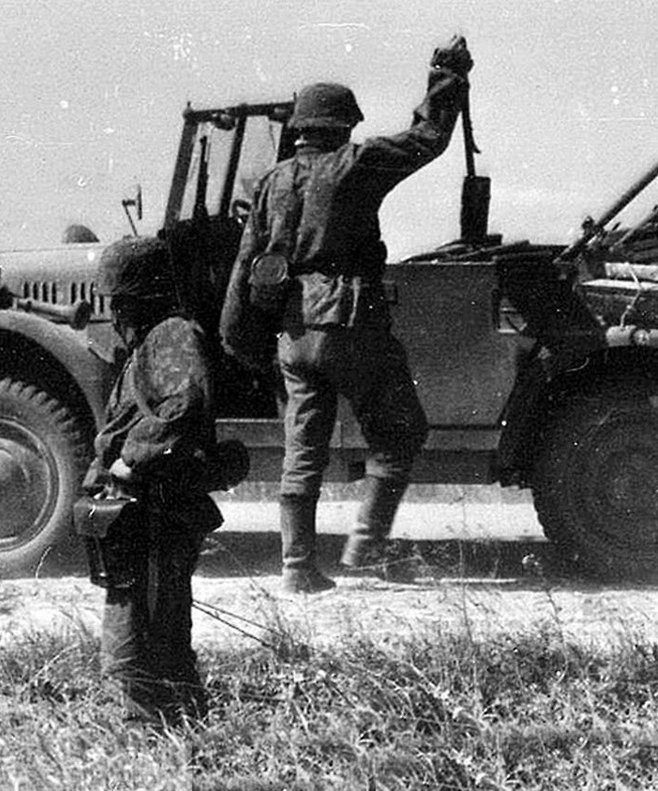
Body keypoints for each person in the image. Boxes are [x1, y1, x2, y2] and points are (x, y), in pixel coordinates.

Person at [227, 37, 475, 593]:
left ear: (298, 130)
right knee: (402, 429)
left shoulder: (270, 183)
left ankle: (296, 569)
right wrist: (447, 77)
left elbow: (245, 271)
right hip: (351, 324)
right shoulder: (356, 164)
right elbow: (427, 138)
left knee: (302, 451)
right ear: (344, 126)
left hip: (292, 335)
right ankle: (365, 549)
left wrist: (245, 347)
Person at [83, 236, 226, 725]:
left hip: (156, 508)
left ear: (134, 298)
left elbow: (183, 405)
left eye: (116, 301)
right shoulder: (155, 338)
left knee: (140, 631)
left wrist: (131, 461)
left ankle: (147, 732)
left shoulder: (172, 336)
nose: (113, 312)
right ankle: (181, 720)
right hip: (141, 512)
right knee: (155, 623)